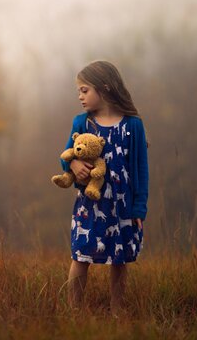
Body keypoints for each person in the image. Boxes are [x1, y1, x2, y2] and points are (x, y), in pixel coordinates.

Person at [59, 60, 149, 315]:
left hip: (122, 207)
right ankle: (73, 311)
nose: (80, 96)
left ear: (105, 88)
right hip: (90, 205)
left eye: (85, 90)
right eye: (79, 91)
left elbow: (141, 170)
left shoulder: (133, 126)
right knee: (80, 256)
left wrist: (139, 208)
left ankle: (117, 312)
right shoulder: (82, 124)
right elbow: (65, 155)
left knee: (119, 260)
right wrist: (73, 165)